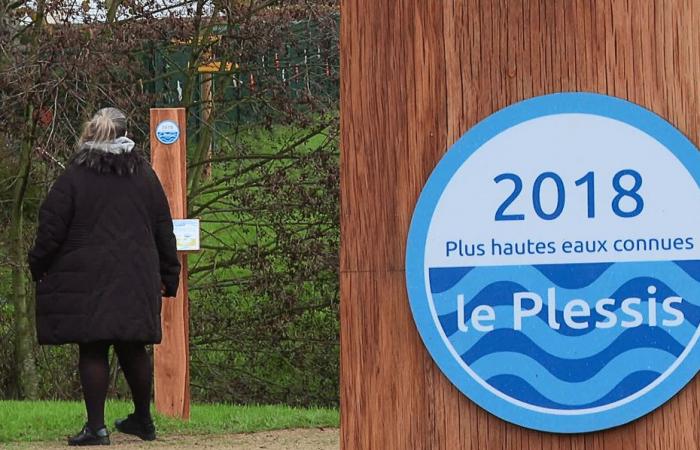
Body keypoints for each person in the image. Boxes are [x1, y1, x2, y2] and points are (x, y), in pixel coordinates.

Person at [28, 107, 181, 446]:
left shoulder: (74, 176)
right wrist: (170, 274)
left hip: (88, 278)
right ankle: (143, 420)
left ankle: (96, 428)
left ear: (90, 133)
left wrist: (38, 264)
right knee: (133, 346)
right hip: (136, 276)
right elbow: (162, 227)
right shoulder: (144, 175)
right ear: (126, 134)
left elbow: (51, 228)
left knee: (93, 347)